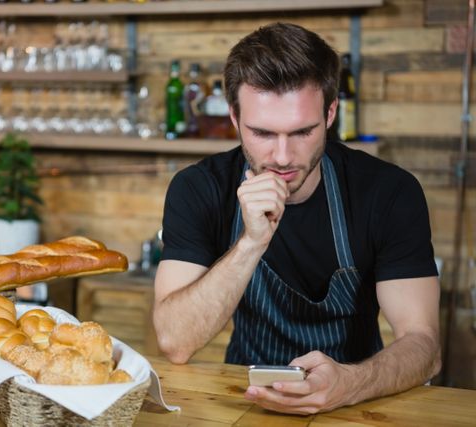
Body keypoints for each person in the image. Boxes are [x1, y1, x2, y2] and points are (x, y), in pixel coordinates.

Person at [152, 23, 441, 415]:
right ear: (235, 118)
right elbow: (175, 341)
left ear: (331, 113)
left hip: (356, 404)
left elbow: (424, 346)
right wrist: (251, 243)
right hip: (243, 402)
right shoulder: (198, 189)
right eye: (263, 133)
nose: (283, 156)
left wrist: (349, 384)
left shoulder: (388, 193)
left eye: (302, 132)